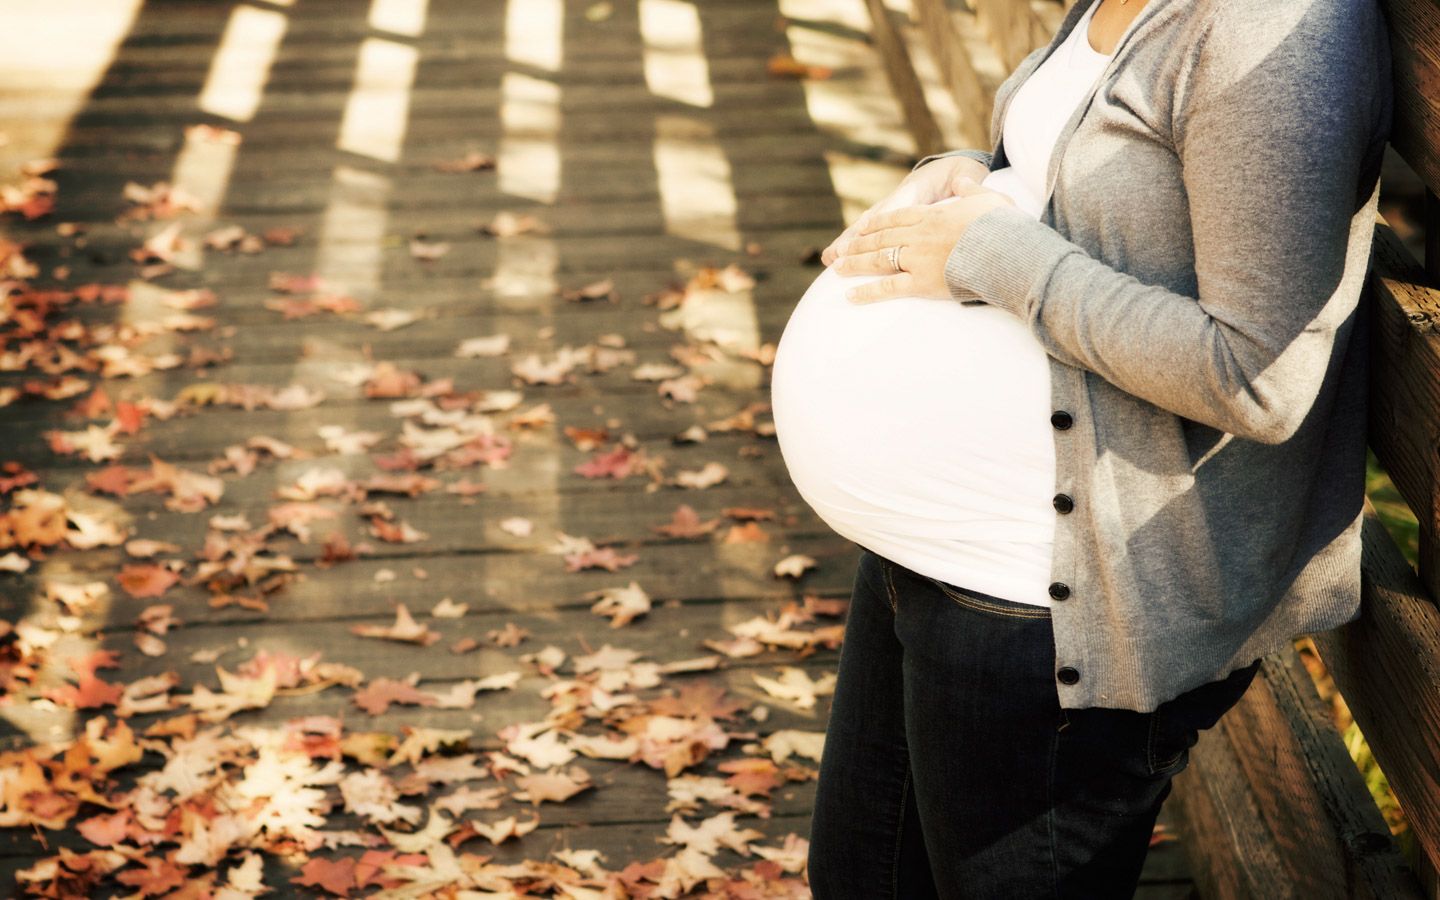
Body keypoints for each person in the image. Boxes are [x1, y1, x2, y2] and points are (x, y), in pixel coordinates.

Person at [767, 0, 1394, 895]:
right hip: (936, 554)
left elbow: (1258, 375)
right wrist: (966, 180)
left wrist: (994, 253)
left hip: (1057, 596)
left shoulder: (1274, 32)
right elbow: (1096, 195)